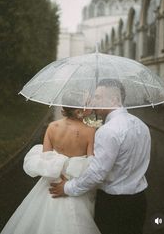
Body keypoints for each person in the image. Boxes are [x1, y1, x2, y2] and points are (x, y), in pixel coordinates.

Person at [50, 79, 151, 234]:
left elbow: (97, 173)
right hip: (138, 202)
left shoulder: (108, 131)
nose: (92, 101)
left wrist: (68, 187)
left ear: (114, 100)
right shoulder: (142, 126)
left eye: (97, 97)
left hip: (114, 206)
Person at [0, 96, 101, 234]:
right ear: (79, 111)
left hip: (51, 181)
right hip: (72, 181)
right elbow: (91, 163)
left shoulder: (52, 127)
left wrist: (58, 171)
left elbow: (46, 158)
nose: (92, 106)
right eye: (87, 104)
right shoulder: (90, 131)